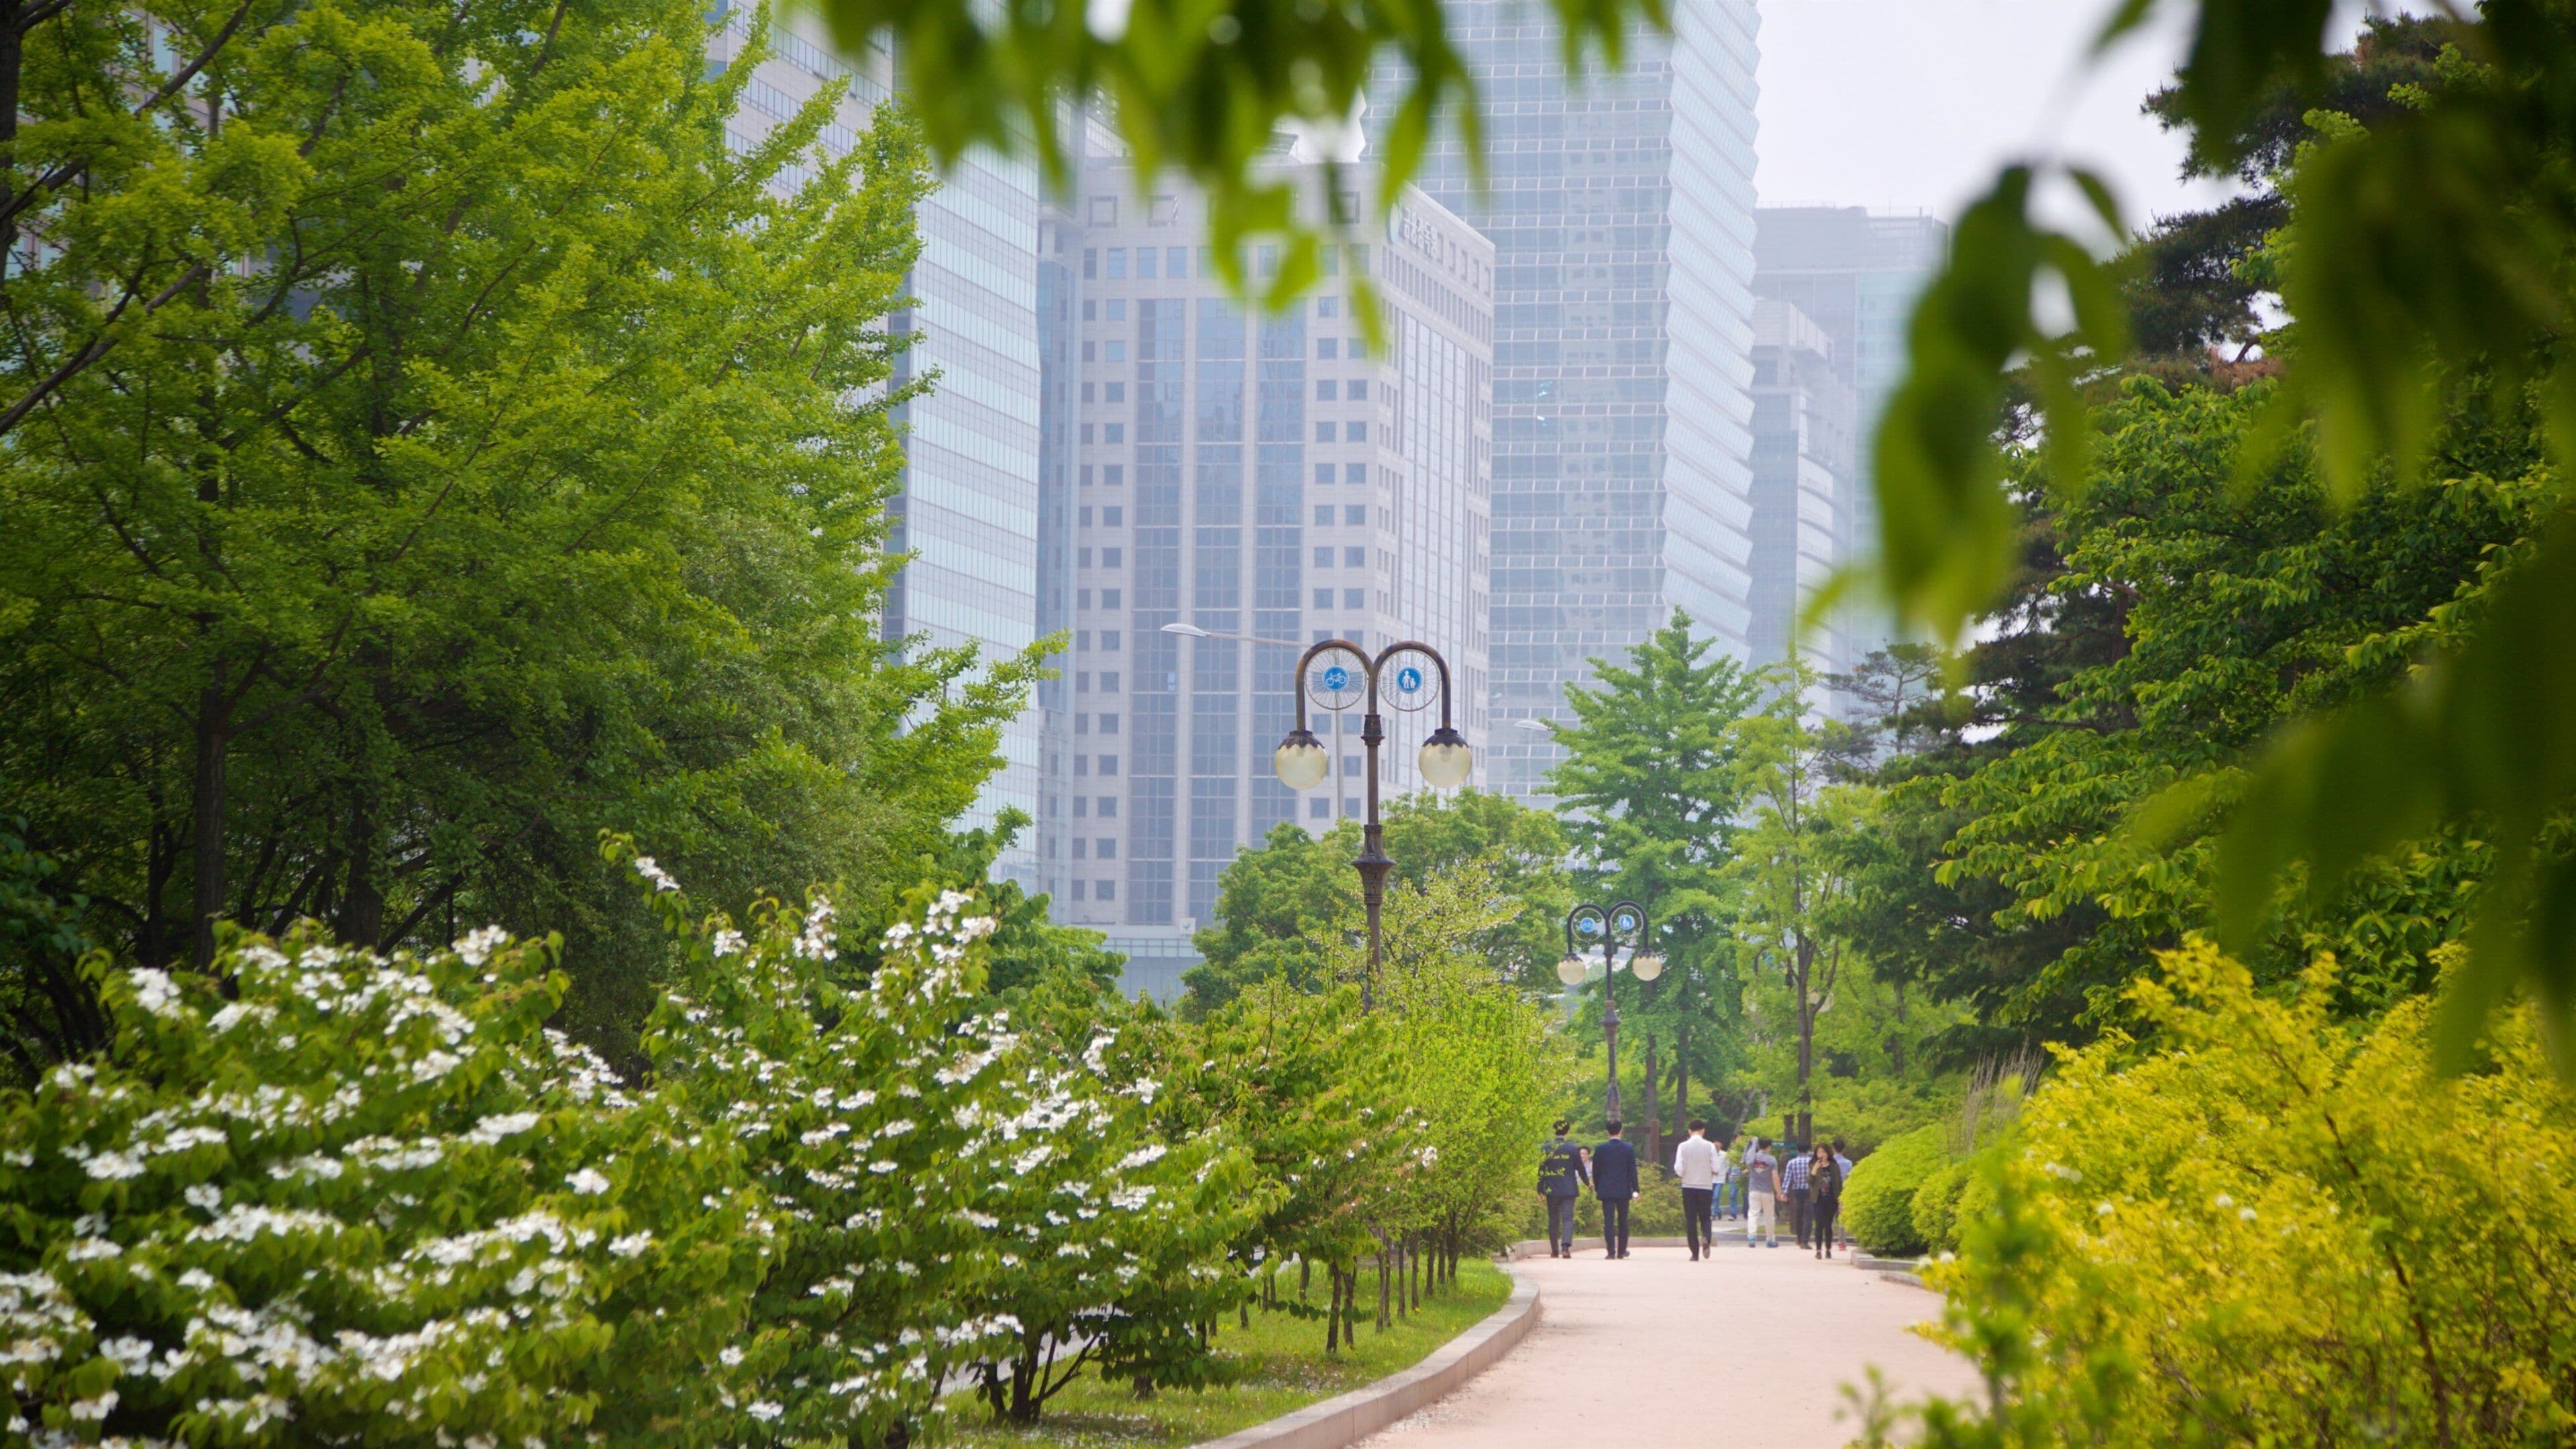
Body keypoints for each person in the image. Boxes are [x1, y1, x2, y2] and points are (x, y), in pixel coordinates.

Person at [1536, 1119, 1591, 1258]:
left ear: (1554, 1131)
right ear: (1568, 1132)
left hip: (1552, 1189)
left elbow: (1542, 1170)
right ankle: (1565, 1247)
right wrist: (1588, 1184)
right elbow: (1581, 1169)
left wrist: (1540, 1190)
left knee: (1553, 1219)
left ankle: (1555, 1250)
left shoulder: (1546, 1148)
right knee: (1568, 1218)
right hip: (1569, 1189)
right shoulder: (1573, 1149)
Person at [1672, 1120, 1721, 1261]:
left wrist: (1685, 1174)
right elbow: (1716, 1168)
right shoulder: (1710, 1146)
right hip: (1705, 1186)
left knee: (1691, 1220)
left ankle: (1694, 1253)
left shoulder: (1683, 1146)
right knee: (1705, 1217)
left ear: (1689, 1131)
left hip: (1688, 1186)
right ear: (1703, 1130)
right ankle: (1706, 1236)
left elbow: (1678, 1168)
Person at [1591, 1120, 1639, 1258]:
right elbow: (1632, 1171)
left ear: (1607, 1132)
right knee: (1623, 1220)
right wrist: (1636, 1189)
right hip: (1623, 1189)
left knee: (1609, 1221)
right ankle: (1622, 1251)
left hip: (1606, 1190)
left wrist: (1598, 1187)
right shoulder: (1628, 1148)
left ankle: (1611, 1252)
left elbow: (1596, 1171)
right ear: (1621, 1131)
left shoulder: (1600, 1148)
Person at [1741, 1136, 1780, 1248]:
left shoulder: (1753, 1157)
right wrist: (1779, 1192)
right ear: (1768, 1147)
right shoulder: (1772, 1160)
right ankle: (1770, 1239)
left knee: (1753, 1214)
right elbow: (1775, 1177)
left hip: (1753, 1190)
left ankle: (1752, 1238)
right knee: (1769, 1216)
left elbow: (1749, 1167)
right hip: (1767, 1191)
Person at [1808, 1143, 1845, 1260]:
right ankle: (1818, 1250)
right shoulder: (1813, 1165)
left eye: (1823, 1152)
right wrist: (1814, 1169)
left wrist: (1841, 1201)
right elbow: (1809, 1182)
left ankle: (1828, 1249)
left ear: (1828, 1153)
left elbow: (1839, 1183)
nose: (1821, 1154)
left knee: (1828, 1225)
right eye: (1819, 1152)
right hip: (1818, 1199)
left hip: (1831, 1199)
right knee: (1819, 1225)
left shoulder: (1834, 1166)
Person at [1782, 1139, 1814, 1249]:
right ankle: (1805, 1240)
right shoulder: (1812, 1162)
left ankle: (1799, 1239)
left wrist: (1784, 1193)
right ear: (1809, 1149)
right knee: (1808, 1217)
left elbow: (1787, 1179)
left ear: (1797, 1150)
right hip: (1809, 1191)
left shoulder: (1792, 1163)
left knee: (1798, 1215)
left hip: (1797, 1191)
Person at [1832, 1138, 1856, 1250]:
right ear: (1844, 1149)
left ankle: (1829, 1239)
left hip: (1831, 1192)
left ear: (1833, 1149)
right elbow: (1851, 1179)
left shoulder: (1830, 1162)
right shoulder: (1848, 1163)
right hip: (1843, 1192)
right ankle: (1842, 1242)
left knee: (1830, 1218)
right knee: (1842, 1218)